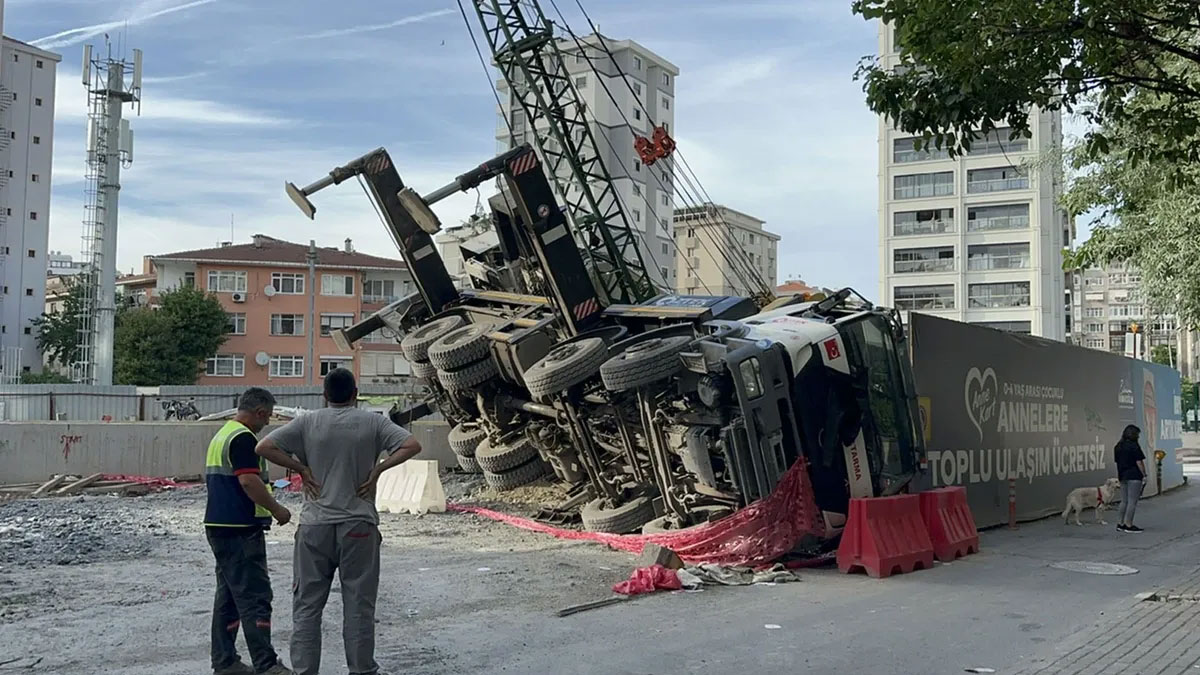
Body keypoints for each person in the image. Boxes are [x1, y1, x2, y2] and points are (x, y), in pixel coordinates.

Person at [255, 368, 422, 675]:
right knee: (359, 606)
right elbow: (411, 444)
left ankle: (305, 671)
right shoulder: (373, 422)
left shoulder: (307, 422)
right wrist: (378, 470)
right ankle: (362, 669)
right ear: (355, 394)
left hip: (314, 526)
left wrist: (301, 468)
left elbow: (263, 447)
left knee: (307, 606)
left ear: (325, 395)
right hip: (359, 524)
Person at [204, 387, 294, 675]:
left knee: (229, 597)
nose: (266, 423)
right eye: (267, 417)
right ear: (259, 412)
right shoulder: (243, 438)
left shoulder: (223, 434)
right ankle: (266, 665)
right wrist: (277, 509)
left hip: (220, 525)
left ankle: (225, 662)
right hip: (240, 529)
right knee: (255, 596)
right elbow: (248, 481)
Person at [1114, 424, 1147, 533]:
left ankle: (1120, 524)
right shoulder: (1134, 446)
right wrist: (1144, 474)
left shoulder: (1118, 446)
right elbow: (1139, 462)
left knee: (1124, 501)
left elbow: (1117, 462)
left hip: (1122, 475)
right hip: (1134, 476)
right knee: (1132, 501)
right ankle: (1129, 524)